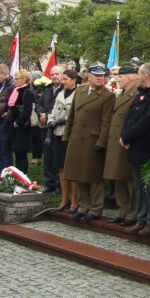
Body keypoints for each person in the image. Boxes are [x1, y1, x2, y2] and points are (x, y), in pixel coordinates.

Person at [63, 62, 115, 222]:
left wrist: (102, 142)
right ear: (89, 76)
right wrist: (67, 135)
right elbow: (72, 115)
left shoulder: (107, 96)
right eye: (97, 76)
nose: (100, 79)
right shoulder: (80, 91)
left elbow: (107, 122)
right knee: (79, 174)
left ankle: (95, 208)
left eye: (102, 76)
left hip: (93, 139)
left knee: (93, 176)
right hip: (77, 137)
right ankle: (83, 205)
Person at [121, 63, 150, 237]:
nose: (136, 76)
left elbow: (146, 121)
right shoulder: (140, 94)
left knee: (149, 186)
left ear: (146, 75)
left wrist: (127, 137)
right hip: (135, 147)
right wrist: (124, 136)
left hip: (147, 147)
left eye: (138, 73)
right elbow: (130, 117)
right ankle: (142, 219)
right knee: (139, 186)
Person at [103, 65, 138, 227]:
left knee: (129, 178)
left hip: (127, 141)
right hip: (116, 140)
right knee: (118, 177)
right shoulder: (122, 93)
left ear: (130, 77)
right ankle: (122, 209)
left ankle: (132, 211)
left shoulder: (136, 93)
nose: (118, 80)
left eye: (120, 77)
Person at [47, 69, 79, 213]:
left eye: (65, 79)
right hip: (57, 134)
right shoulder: (60, 93)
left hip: (69, 133)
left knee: (71, 168)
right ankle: (64, 199)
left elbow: (75, 114)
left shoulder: (78, 94)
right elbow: (53, 110)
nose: (63, 81)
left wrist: (61, 121)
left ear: (74, 80)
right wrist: (51, 121)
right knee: (61, 167)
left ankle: (75, 200)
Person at [36, 66, 63, 194]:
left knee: (56, 157)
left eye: (57, 74)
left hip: (57, 125)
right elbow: (39, 103)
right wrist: (41, 113)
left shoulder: (64, 90)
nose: (54, 76)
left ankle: (58, 185)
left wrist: (48, 115)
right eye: (52, 74)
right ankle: (49, 183)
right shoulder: (47, 89)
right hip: (45, 125)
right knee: (47, 157)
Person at [7, 70, 36, 174]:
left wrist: (18, 122)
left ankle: (23, 174)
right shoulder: (16, 91)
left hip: (23, 126)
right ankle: (18, 174)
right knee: (17, 152)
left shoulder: (27, 92)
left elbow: (27, 110)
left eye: (17, 79)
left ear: (24, 80)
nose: (15, 81)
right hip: (15, 125)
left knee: (21, 152)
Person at [0, 64, 15, 175]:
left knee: (5, 148)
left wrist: (8, 113)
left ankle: (7, 173)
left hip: (4, 120)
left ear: (5, 74)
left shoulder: (11, 85)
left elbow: (12, 103)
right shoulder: (1, 86)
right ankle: (0, 172)